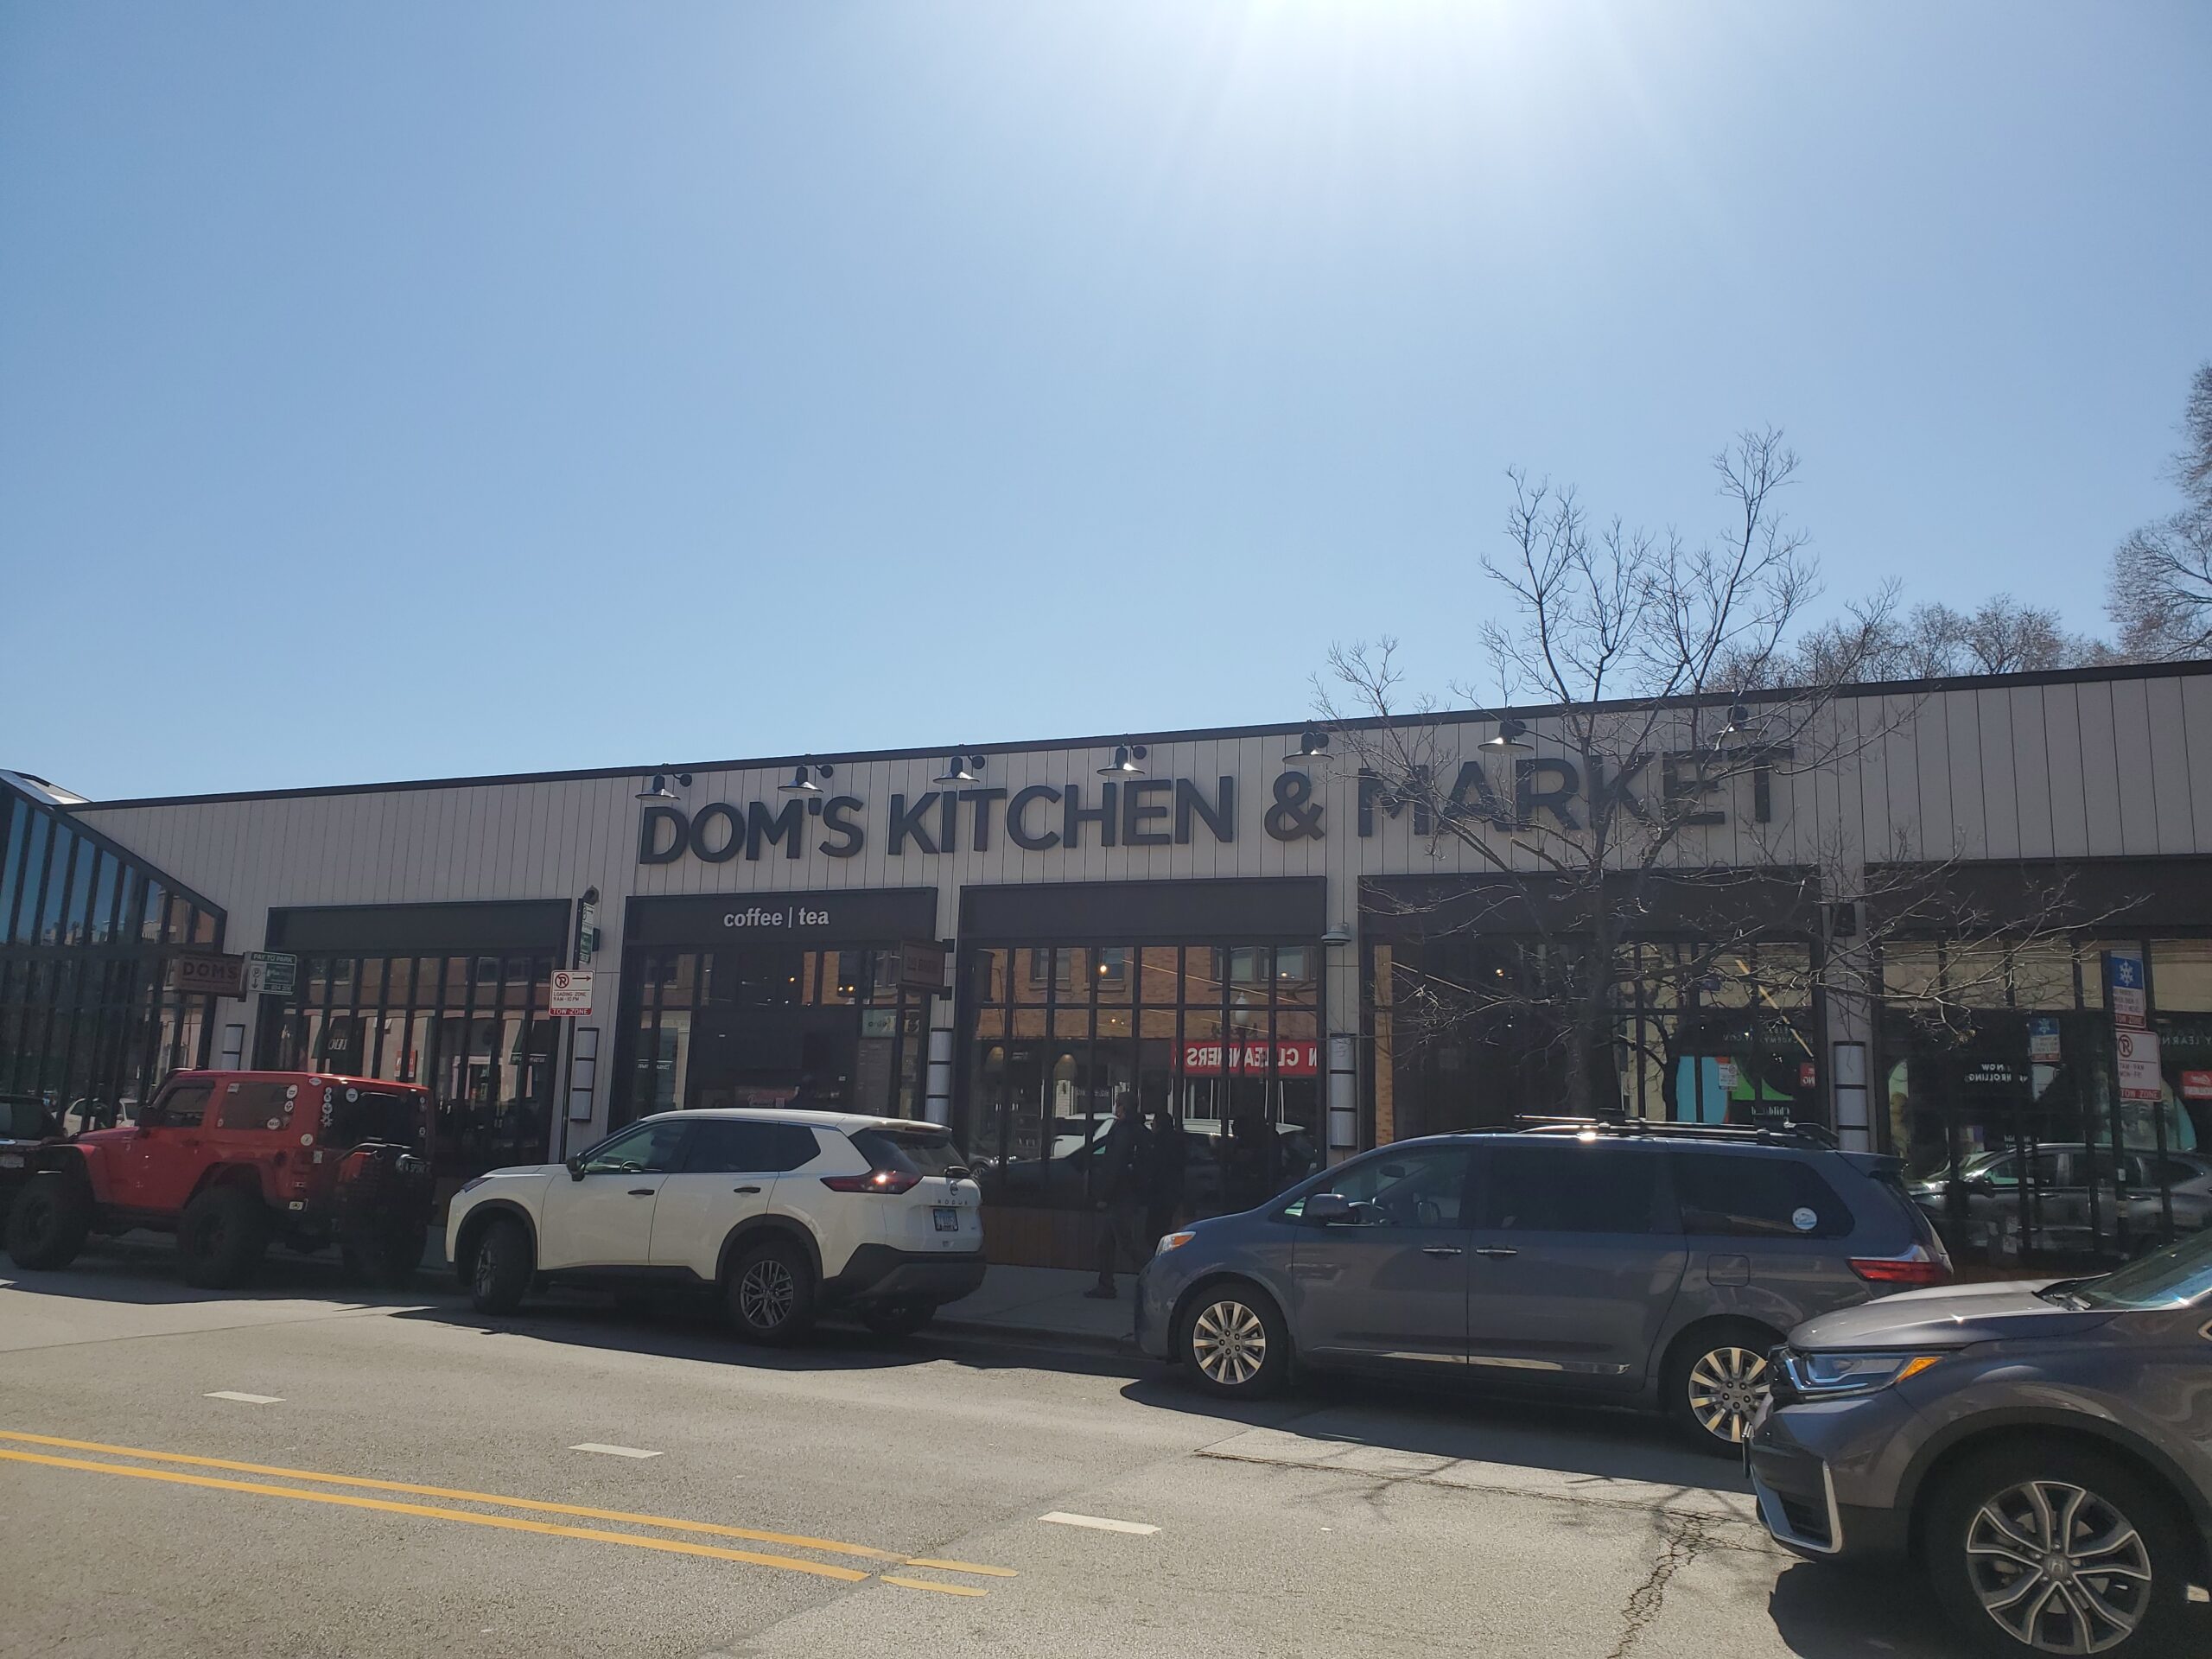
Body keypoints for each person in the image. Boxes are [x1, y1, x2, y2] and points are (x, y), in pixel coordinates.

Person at [1083, 1096, 1147, 1300]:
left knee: (1125, 1244)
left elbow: (1114, 1164)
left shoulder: (1122, 1130)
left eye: (1117, 1103)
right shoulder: (1138, 1129)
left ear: (1122, 1107)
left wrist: (1105, 1195)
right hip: (1127, 1194)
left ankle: (1160, 1275)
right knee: (1107, 1243)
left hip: (1119, 1196)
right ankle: (1106, 1284)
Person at [1142, 1104, 1188, 1246]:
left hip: (1160, 1193)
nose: (1152, 1127)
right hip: (1173, 1193)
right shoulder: (1179, 1141)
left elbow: (1154, 1168)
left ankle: (1157, 1263)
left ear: (1159, 1125)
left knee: (1153, 1233)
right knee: (1164, 1228)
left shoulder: (1158, 1143)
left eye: (1153, 1123)